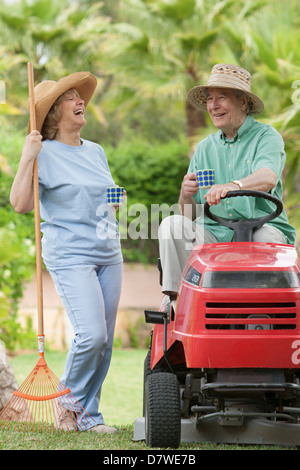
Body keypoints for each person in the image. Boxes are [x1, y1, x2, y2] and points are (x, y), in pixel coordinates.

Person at [10, 71, 123, 434]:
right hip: (70, 254)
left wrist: (115, 200)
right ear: (54, 114)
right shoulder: (43, 153)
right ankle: (67, 408)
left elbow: (106, 197)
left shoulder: (96, 151)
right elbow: (19, 204)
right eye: (71, 97)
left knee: (103, 343)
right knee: (91, 335)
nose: (81, 101)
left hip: (109, 252)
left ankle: (89, 417)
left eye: (80, 96)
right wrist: (28, 156)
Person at [158, 63, 296, 308]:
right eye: (210, 99)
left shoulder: (267, 136)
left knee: (264, 239)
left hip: (262, 226)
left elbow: (267, 177)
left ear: (243, 102)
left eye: (222, 98)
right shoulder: (204, 148)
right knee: (172, 225)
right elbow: (190, 216)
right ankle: (176, 303)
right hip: (214, 233)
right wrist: (185, 196)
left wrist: (234, 185)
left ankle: (264, 311)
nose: (213, 106)